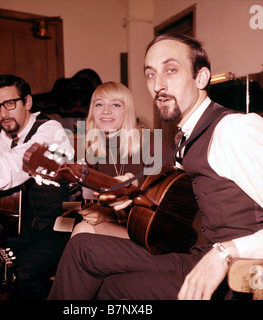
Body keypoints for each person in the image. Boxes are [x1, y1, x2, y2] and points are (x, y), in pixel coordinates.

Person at [47, 34, 263, 300]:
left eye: (171, 70)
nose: (158, 85)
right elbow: (187, 208)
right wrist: (138, 193)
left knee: (109, 288)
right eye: (150, 74)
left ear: (201, 78)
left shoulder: (234, 130)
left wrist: (226, 253)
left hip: (234, 275)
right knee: (83, 248)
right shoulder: (185, 137)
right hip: (192, 253)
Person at [0, 74, 75, 299]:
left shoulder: (51, 130)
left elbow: (10, 168)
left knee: (24, 273)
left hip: (57, 227)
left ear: (27, 102)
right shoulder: (4, 137)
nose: (3, 113)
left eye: (10, 103)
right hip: (18, 227)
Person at [68, 81, 172, 239]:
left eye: (116, 105)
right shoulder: (93, 149)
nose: (106, 111)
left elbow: (164, 210)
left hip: (152, 232)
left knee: (82, 233)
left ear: (127, 111)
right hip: (120, 228)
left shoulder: (152, 143)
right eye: (99, 104)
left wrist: (112, 216)